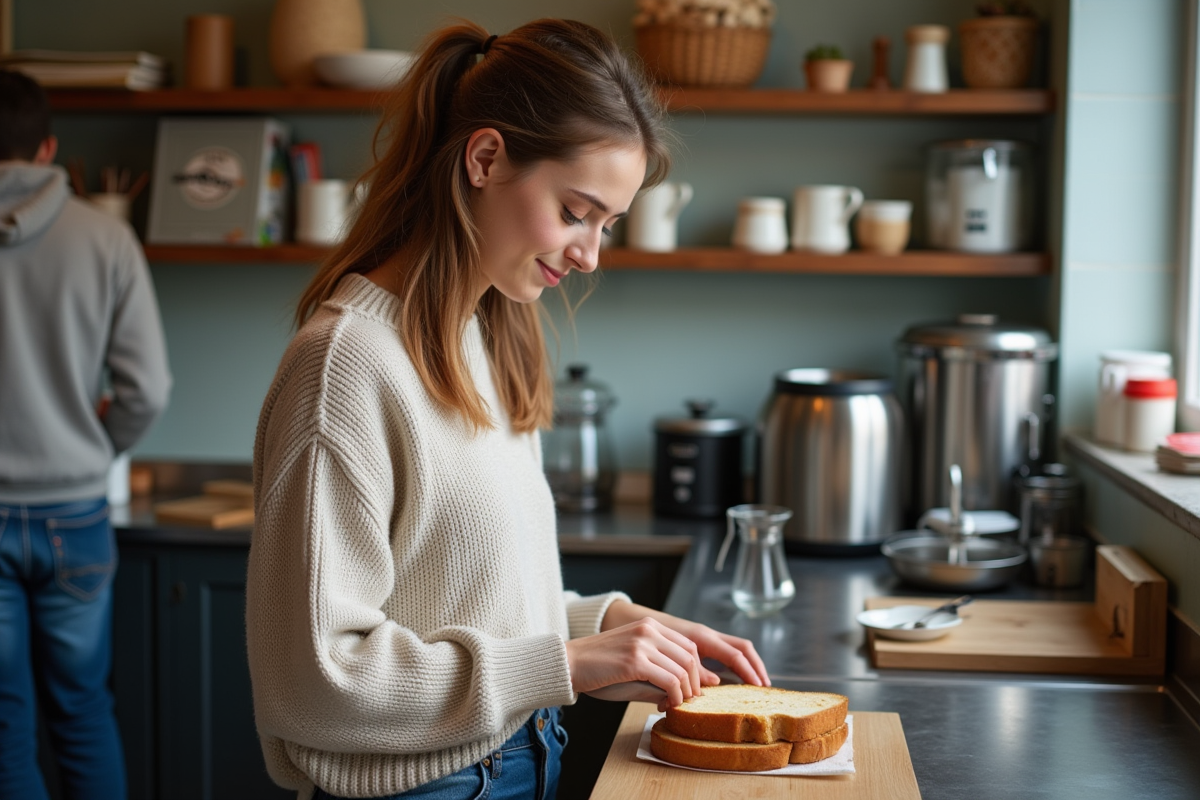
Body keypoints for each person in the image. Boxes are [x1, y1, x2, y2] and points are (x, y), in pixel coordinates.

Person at [245, 18, 770, 800]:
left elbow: (469, 601)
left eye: (607, 224)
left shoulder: (482, 338)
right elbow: (317, 678)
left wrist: (611, 625)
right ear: (485, 159)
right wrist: (565, 665)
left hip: (522, 758)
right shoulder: (344, 368)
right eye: (575, 211)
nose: (590, 254)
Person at [0, 69, 172, 800]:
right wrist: (93, 446)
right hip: (76, 512)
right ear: (49, 149)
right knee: (82, 710)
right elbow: (148, 390)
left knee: (4, 722)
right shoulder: (106, 239)